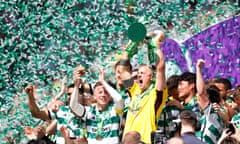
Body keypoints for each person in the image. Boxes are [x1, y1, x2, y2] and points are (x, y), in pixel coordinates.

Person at [121, 31, 167, 143]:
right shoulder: (134, 91)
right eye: (138, 73)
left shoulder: (156, 95)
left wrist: (155, 45)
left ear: (151, 77)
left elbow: (160, 67)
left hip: (145, 141)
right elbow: (123, 71)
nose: (139, 75)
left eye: (143, 73)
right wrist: (130, 48)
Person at [69, 65, 124, 144]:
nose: (103, 95)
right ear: (94, 96)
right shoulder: (88, 111)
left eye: (106, 92)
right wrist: (76, 85)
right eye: (100, 92)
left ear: (110, 96)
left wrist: (103, 82)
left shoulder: (115, 110)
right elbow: (73, 106)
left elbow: (119, 99)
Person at [25, 78, 87, 144]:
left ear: (83, 96)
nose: (71, 96)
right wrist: (30, 96)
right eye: (69, 94)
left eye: (74, 93)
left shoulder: (90, 111)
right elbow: (36, 114)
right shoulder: (62, 110)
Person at [195, 59, 224, 144]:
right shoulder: (218, 111)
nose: (197, 100)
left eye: (198, 98)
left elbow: (201, 93)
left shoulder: (211, 112)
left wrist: (198, 69)